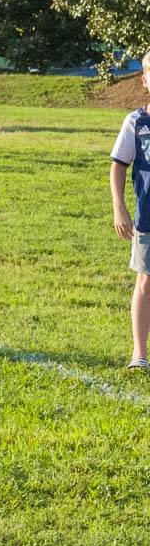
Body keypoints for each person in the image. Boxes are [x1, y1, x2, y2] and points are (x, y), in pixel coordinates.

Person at [110, 52, 150, 370]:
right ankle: (139, 353)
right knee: (145, 282)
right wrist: (119, 207)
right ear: (145, 80)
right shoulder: (135, 122)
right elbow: (118, 165)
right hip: (147, 218)